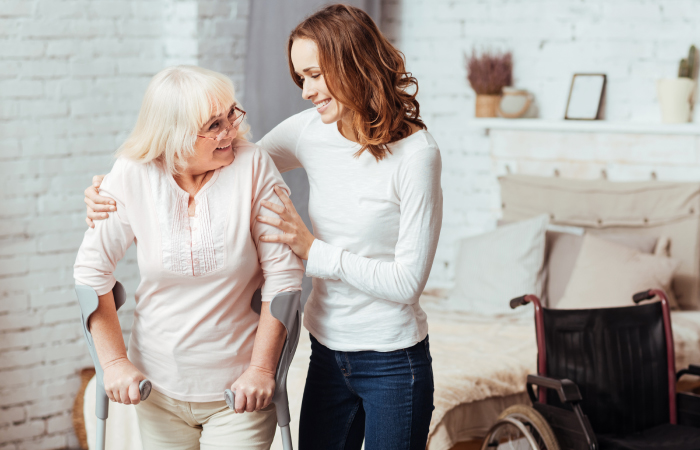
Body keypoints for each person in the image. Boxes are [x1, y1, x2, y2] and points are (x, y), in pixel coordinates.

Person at [83, 4, 442, 449]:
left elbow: (407, 282)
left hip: (391, 356)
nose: (307, 91)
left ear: (351, 64)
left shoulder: (417, 155)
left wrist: (312, 250)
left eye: (313, 74)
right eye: (301, 78)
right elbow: (235, 162)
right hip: (327, 349)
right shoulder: (310, 131)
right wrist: (117, 186)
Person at [74, 65, 304, 450]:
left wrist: (262, 370)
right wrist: (114, 363)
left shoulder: (253, 166)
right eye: (214, 124)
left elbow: (284, 278)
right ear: (174, 135)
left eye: (231, 114)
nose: (230, 130)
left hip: (239, 392)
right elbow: (91, 271)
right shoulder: (132, 175)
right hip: (157, 387)